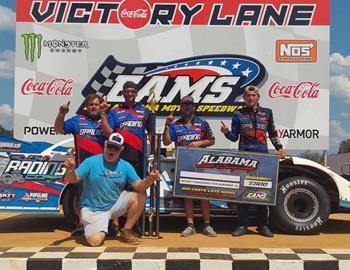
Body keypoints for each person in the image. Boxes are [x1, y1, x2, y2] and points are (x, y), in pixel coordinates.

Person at [63, 132, 160, 246]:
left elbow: (139, 186)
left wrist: (150, 179)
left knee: (140, 195)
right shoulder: (91, 162)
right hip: (93, 209)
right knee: (95, 242)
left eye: (116, 148)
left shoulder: (125, 166)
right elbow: (74, 179)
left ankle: (126, 231)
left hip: (115, 205)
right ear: (105, 145)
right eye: (110, 146)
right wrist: (70, 171)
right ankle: (94, 227)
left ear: (121, 149)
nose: (112, 150)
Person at [220, 85, 287, 237]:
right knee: (243, 190)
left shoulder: (267, 113)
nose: (250, 98)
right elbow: (234, 137)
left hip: (263, 156)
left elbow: (273, 132)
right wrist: (226, 133)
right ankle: (242, 225)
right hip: (245, 156)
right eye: (247, 96)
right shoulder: (238, 114)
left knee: (262, 190)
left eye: (253, 95)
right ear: (244, 98)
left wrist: (280, 147)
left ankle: (262, 226)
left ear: (258, 97)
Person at [101, 81, 151, 235]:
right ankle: (115, 224)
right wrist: (103, 113)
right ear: (122, 93)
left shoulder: (145, 111)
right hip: (119, 156)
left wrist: (155, 154)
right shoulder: (115, 112)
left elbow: (151, 133)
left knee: (137, 190)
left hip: (138, 157)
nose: (129, 94)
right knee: (116, 189)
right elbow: (108, 132)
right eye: (126, 91)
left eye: (132, 91)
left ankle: (133, 225)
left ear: (137, 93)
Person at [163, 95, 217, 237]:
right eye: (184, 105)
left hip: (201, 164)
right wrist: (166, 125)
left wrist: (199, 143)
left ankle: (207, 225)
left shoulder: (202, 123)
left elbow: (212, 141)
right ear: (181, 107)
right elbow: (167, 142)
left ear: (194, 107)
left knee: (204, 195)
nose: (187, 107)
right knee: (187, 195)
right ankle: (190, 225)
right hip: (183, 164)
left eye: (190, 105)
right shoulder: (175, 124)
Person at [54, 93, 108, 235]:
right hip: (81, 166)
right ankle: (81, 224)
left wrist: (104, 115)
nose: (93, 107)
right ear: (86, 106)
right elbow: (59, 130)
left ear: (100, 105)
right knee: (81, 197)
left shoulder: (106, 120)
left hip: (102, 166)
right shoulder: (78, 120)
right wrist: (61, 114)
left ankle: (105, 225)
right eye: (91, 104)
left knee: (103, 196)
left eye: (96, 104)